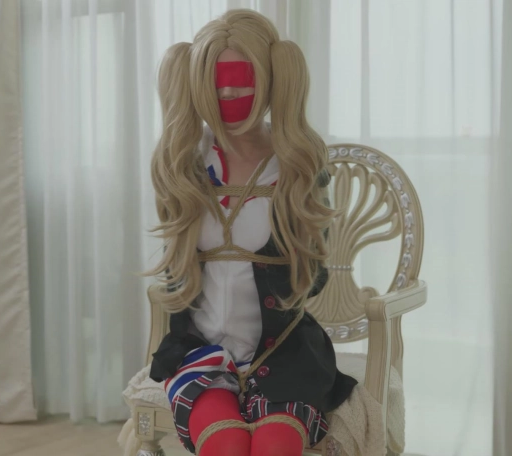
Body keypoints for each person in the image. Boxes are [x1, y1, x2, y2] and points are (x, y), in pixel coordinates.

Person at [146, 8, 357, 456]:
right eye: (217, 80)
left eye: (241, 78)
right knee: (225, 446)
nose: (229, 91)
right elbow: (174, 272)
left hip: (285, 354)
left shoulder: (294, 163)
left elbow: (314, 275)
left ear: (272, 77)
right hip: (199, 354)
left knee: (275, 448)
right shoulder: (186, 162)